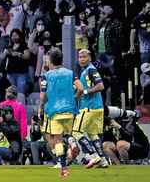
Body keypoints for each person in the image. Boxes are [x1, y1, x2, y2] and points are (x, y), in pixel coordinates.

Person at [39, 49, 81, 177]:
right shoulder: (70, 73)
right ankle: (72, 143)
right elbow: (81, 88)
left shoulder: (47, 75)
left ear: (50, 61)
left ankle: (63, 169)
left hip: (54, 111)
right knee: (68, 134)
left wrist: (42, 105)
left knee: (57, 140)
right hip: (69, 110)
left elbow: (43, 97)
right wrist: (74, 98)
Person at [72, 49, 108, 169]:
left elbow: (101, 86)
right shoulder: (85, 71)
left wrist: (85, 92)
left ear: (90, 58)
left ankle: (93, 155)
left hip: (89, 107)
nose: (81, 59)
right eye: (80, 57)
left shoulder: (91, 70)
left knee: (76, 132)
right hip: (97, 107)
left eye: (84, 57)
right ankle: (103, 159)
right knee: (93, 134)